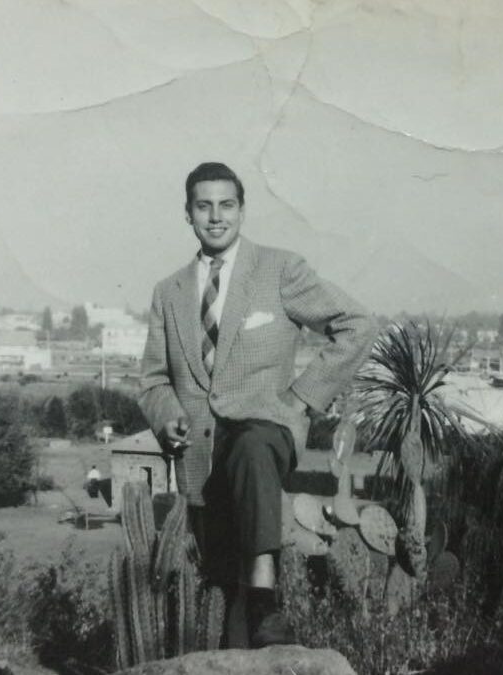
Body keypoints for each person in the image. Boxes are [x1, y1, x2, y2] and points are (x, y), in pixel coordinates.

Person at [138, 162, 377, 648]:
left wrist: (303, 398)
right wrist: (168, 418)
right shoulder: (168, 293)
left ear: (242, 211)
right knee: (220, 589)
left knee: (251, 446)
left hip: (266, 432)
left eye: (226, 205)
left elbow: (358, 324)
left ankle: (268, 605)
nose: (216, 216)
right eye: (203, 206)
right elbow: (153, 380)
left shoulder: (280, 270)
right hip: (200, 456)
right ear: (188, 214)